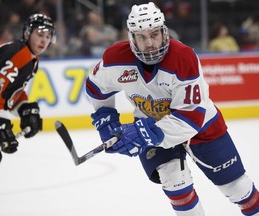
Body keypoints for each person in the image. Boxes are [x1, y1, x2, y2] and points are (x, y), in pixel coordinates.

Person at [86, 2, 259, 216]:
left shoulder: (183, 58)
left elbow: (191, 117)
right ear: (131, 38)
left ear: (164, 32)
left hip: (201, 127)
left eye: (154, 34)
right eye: (142, 36)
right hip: (151, 125)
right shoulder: (115, 59)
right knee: (174, 183)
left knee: (238, 189)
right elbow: (95, 87)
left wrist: (144, 134)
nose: (150, 43)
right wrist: (107, 122)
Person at [0, 13, 56, 215]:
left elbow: (11, 92)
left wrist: (25, 109)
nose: (44, 40)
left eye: (48, 35)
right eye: (40, 34)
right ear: (27, 33)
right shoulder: (19, 54)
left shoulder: (30, 59)